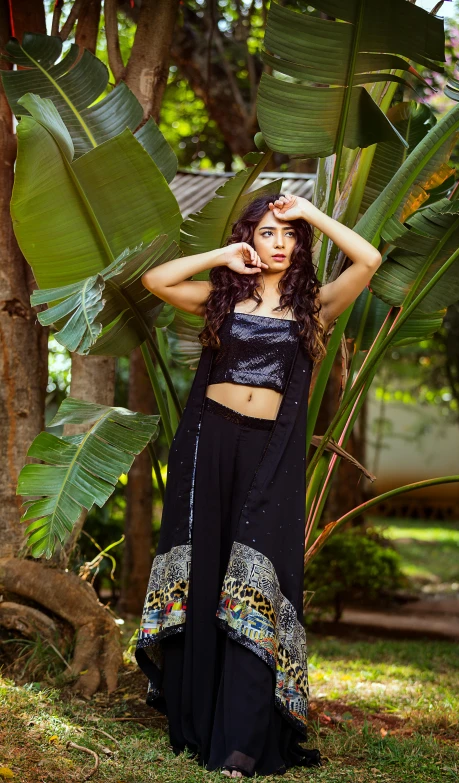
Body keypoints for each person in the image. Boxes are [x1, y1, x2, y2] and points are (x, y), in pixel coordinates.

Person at [134, 192, 381, 777]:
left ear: (300, 245)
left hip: (269, 456)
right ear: (251, 237)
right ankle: (197, 720)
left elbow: (367, 260)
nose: (278, 243)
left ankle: (242, 741)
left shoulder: (313, 309)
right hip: (208, 446)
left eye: (287, 235)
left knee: (254, 577)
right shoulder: (224, 300)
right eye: (267, 232)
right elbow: (155, 280)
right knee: (210, 570)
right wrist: (222, 254)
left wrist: (310, 214)